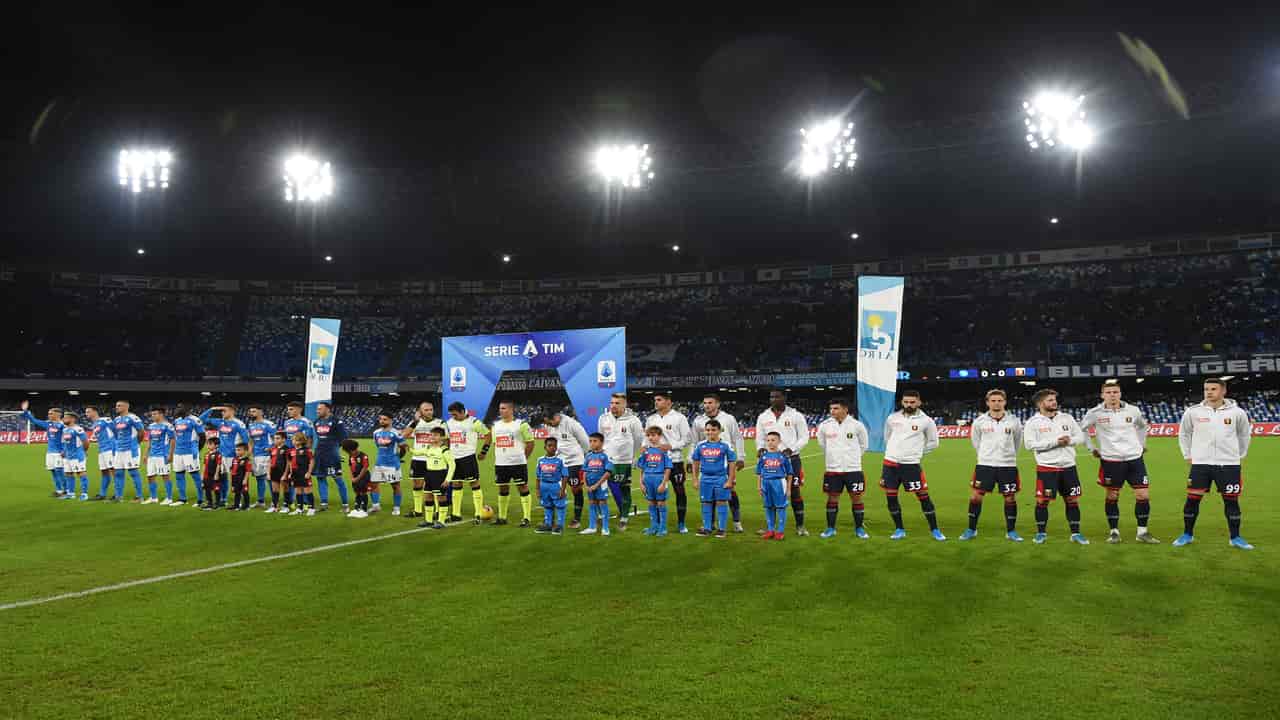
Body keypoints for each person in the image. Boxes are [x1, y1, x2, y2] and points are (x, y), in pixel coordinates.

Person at [1175, 378, 1253, 550]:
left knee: (1231, 502)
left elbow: (1244, 435)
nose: (1209, 392)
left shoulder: (1237, 413)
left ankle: (1235, 537)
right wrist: (1188, 454)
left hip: (1229, 464)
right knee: (1192, 500)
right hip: (1201, 464)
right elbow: (1184, 434)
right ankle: (1187, 534)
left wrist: (1238, 455)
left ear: (1223, 391)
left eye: (1213, 389)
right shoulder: (1193, 412)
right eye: (1206, 389)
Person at [1080, 380, 1158, 544]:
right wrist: (1091, 448)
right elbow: (1083, 430)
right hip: (1111, 460)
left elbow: (1143, 426)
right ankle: (1114, 531)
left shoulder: (1133, 410)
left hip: (1134, 459)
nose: (1112, 395)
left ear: (1120, 393)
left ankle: (1142, 532)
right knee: (1112, 495)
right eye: (1108, 393)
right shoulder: (1095, 412)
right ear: (1102, 395)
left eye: (1115, 392)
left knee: (1143, 494)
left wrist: (1142, 444)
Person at [1023, 388, 1088, 545]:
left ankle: (1076, 533)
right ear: (1040, 403)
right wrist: (1055, 442)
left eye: (1054, 399)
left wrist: (1069, 440)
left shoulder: (1067, 418)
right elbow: (1029, 445)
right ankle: (1041, 533)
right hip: (1047, 468)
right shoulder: (1033, 423)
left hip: (1068, 467)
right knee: (1042, 502)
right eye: (1050, 400)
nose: (1054, 402)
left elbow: (1080, 437)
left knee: (1072, 501)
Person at [961, 389, 1024, 542]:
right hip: (985, 465)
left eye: (999, 400)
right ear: (987, 402)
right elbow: (976, 442)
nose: (996, 403)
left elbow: (1017, 442)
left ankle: (1011, 531)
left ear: (1005, 402)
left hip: (1007, 465)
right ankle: (971, 529)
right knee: (976, 496)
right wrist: (985, 456)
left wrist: (1008, 457)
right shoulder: (980, 421)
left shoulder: (1014, 421)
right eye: (993, 400)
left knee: (1010, 497)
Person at [881, 390, 945, 541]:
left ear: (918, 402)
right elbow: (887, 437)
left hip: (911, 465)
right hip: (890, 464)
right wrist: (894, 452)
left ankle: (935, 530)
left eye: (912, 402)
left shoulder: (926, 421)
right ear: (902, 402)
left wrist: (917, 454)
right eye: (906, 402)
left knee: (923, 497)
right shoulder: (892, 418)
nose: (909, 405)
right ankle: (899, 529)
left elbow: (933, 442)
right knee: (891, 497)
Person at [754, 389, 811, 536]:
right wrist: (760, 448)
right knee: (770, 493)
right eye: (771, 396)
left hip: (791, 459)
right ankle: (771, 527)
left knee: (795, 492)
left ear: (784, 397)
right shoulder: (763, 416)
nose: (773, 399)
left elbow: (804, 437)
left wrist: (791, 449)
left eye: (777, 396)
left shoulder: (795, 415)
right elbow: (759, 437)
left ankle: (800, 526)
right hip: (770, 461)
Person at [691, 393, 747, 532]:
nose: (707, 405)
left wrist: (740, 456)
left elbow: (737, 438)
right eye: (705, 403)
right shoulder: (698, 421)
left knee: (730, 491)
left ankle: (736, 521)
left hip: (725, 461)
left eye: (710, 403)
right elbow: (695, 441)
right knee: (709, 493)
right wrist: (689, 459)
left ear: (717, 404)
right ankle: (710, 524)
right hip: (708, 460)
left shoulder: (728, 418)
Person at [815, 398, 870, 539]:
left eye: (836, 408)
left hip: (853, 469)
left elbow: (864, 445)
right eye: (831, 408)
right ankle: (830, 528)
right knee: (832, 498)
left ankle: (859, 529)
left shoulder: (857, 425)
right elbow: (823, 445)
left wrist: (852, 458)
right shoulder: (825, 426)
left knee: (856, 498)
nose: (832, 411)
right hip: (833, 469)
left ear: (845, 409)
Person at [645, 392, 692, 533]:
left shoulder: (679, 418)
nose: (656, 402)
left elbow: (687, 439)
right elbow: (646, 438)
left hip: (675, 460)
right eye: (655, 400)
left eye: (659, 400)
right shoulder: (651, 419)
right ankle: (658, 524)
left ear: (668, 402)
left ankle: (681, 523)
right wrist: (644, 447)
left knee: (680, 491)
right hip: (656, 462)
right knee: (655, 494)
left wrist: (671, 446)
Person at [597, 392, 644, 526]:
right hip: (606, 460)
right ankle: (602, 514)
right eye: (612, 403)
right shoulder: (603, 418)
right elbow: (600, 438)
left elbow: (639, 440)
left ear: (624, 404)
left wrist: (634, 456)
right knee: (601, 487)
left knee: (624, 489)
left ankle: (624, 518)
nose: (613, 406)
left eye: (617, 403)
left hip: (624, 461)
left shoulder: (633, 420)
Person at [543, 407, 591, 528]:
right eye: (547, 423)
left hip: (575, 462)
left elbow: (585, 442)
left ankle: (577, 518)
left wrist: (586, 460)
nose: (549, 425)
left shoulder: (572, 424)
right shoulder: (550, 426)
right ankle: (551, 520)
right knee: (554, 490)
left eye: (550, 422)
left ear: (556, 416)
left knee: (576, 490)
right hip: (559, 463)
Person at [490, 400, 535, 527]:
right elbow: (495, 444)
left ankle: (526, 518)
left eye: (504, 408)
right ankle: (502, 518)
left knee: (522, 487)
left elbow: (530, 442)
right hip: (500, 463)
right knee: (502, 488)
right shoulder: (496, 426)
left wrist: (523, 458)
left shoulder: (521, 424)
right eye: (500, 408)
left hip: (518, 463)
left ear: (511, 410)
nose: (501, 410)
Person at [690, 418, 737, 538]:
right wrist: (695, 479)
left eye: (713, 430)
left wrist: (730, 480)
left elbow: (732, 463)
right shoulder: (701, 445)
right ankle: (707, 528)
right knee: (706, 503)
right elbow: (695, 462)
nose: (710, 432)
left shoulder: (726, 445)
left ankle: (722, 529)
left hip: (720, 478)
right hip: (705, 478)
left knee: (721, 502)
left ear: (719, 430)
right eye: (708, 430)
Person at [444, 402, 491, 524]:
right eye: (451, 414)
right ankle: (455, 514)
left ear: (462, 411)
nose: (453, 417)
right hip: (453, 459)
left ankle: (478, 514)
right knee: (456, 485)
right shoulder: (449, 423)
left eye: (454, 414)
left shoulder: (474, 422)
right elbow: (447, 439)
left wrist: (484, 451)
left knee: (474, 484)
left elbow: (488, 435)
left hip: (468, 457)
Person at [199, 404, 250, 506]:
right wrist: (211, 409)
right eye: (222, 411)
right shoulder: (220, 422)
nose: (222, 413)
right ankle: (223, 498)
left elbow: (245, 440)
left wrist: (243, 455)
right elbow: (201, 419)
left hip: (233, 456)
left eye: (224, 411)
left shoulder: (239, 424)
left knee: (237, 479)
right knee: (222, 478)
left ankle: (240, 501)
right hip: (222, 455)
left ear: (232, 411)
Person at [404, 401, 446, 520]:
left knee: (435, 485)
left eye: (431, 409)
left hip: (433, 458)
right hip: (418, 458)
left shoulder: (440, 423)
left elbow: (446, 440)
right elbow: (404, 435)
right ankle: (417, 510)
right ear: (420, 411)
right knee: (417, 484)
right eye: (426, 410)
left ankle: (438, 511)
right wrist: (416, 421)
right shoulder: (415, 423)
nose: (429, 412)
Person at [19, 400, 67, 498]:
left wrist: (64, 450)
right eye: (49, 413)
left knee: (60, 471)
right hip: (49, 452)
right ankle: (58, 490)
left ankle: (66, 490)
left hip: (59, 452)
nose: (49, 415)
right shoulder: (48, 424)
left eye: (51, 413)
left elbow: (67, 439)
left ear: (58, 414)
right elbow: (34, 420)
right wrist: (26, 411)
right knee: (53, 471)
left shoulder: (63, 425)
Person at [416, 426, 456, 530]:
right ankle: (428, 521)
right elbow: (418, 452)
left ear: (442, 437)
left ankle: (441, 521)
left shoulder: (445, 450)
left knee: (441, 498)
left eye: (436, 435)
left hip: (440, 475)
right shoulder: (429, 448)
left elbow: (452, 465)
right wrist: (407, 448)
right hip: (429, 475)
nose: (433, 437)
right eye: (432, 435)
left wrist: (447, 479)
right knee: (428, 497)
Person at [313, 402, 350, 513]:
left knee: (337, 478)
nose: (317, 411)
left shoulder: (336, 421)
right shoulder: (316, 422)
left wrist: (336, 451)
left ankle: (345, 505)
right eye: (317, 409)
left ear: (328, 409)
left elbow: (344, 439)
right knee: (320, 478)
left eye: (320, 409)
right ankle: (324, 504)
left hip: (332, 455)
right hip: (319, 453)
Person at [636, 428, 673, 536]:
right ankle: (654, 526)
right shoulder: (645, 451)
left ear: (660, 436)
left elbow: (668, 468)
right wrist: (641, 482)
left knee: (661, 503)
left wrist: (664, 483)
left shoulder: (664, 450)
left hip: (659, 478)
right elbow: (642, 467)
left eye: (654, 435)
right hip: (647, 479)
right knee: (651, 502)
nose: (651, 438)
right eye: (649, 435)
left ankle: (663, 527)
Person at [756, 431, 793, 540]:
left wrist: (789, 489)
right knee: (768, 507)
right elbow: (759, 473)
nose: (770, 443)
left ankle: (780, 531)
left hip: (779, 483)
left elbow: (790, 474)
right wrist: (759, 486)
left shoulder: (783, 456)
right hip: (766, 483)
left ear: (779, 441)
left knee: (780, 507)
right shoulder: (763, 457)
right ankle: (770, 530)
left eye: (773, 440)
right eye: (768, 440)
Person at [280, 401, 317, 509]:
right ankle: (291, 502)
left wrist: (307, 451)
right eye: (288, 409)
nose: (289, 411)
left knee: (303, 480)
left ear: (299, 409)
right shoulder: (287, 423)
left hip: (301, 454)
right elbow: (286, 438)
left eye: (291, 409)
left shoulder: (306, 422)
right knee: (290, 478)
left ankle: (306, 503)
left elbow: (309, 438)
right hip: (290, 453)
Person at [370, 412, 408, 516]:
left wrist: (398, 457)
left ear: (391, 420)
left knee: (395, 486)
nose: (382, 421)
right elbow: (378, 446)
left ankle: (396, 508)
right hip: (379, 463)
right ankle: (376, 506)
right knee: (373, 484)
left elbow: (403, 447)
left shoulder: (396, 433)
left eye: (384, 419)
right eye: (381, 419)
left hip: (392, 464)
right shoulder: (376, 433)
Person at [171, 403, 206, 507]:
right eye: (177, 407)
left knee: (195, 475)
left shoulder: (195, 420)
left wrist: (197, 450)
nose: (177, 409)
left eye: (179, 407)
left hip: (190, 452)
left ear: (186, 409)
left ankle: (200, 500)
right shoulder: (177, 421)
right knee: (179, 475)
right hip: (178, 452)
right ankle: (182, 499)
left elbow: (203, 437)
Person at [579, 433, 614, 536]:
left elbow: (608, 472)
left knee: (603, 503)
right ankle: (592, 527)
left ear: (602, 442)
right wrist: (585, 484)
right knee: (592, 503)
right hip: (589, 485)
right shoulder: (588, 456)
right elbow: (585, 471)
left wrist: (597, 484)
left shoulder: (606, 456)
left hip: (601, 485)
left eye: (595, 441)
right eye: (590, 441)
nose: (592, 443)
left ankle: (605, 528)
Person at [533, 437, 569, 535]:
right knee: (547, 505)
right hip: (544, 486)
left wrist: (563, 489)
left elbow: (565, 476)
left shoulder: (561, 460)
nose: (552, 448)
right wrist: (537, 489)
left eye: (554, 446)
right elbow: (537, 476)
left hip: (556, 485)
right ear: (545, 447)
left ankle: (559, 526)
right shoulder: (540, 460)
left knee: (560, 505)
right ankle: (548, 525)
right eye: (550, 446)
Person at [112, 400, 146, 503]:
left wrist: (136, 443)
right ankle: (118, 497)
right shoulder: (117, 420)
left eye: (119, 405)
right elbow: (116, 433)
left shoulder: (133, 418)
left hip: (131, 450)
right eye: (116, 405)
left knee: (133, 472)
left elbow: (141, 432)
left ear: (126, 406)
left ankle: (139, 497)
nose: (116, 407)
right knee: (118, 473)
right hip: (119, 450)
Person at [244, 405, 277, 509]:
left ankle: (274, 501)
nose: (251, 413)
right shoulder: (251, 425)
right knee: (259, 478)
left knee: (270, 478)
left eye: (254, 411)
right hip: (256, 455)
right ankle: (261, 501)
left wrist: (271, 448)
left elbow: (276, 438)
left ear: (260, 412)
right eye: (250, 411)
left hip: (267, 455)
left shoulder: (268, 424)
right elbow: (251, 441)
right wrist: (249, 452)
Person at [84, 406, 118, 501]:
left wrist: (116, 445)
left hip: (110, 449)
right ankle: (102, 494)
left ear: (95, 412)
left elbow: (116, 431)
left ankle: (117, 494)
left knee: (113, 471)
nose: (87, 414)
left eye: (88, 412)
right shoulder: (93, 425)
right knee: (104, 472)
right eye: (86, 412)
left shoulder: (105, 420)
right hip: (102, 451)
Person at [143, 406, 175, 505]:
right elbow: (149, 441)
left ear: (161, 414)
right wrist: (145, 454)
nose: (152, 416)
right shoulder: (151, 426)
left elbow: (173, 440)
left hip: (163, 455)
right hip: (152, 455)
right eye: (152, 414)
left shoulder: (168, 426)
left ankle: (169, 498)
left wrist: (170, 454)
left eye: (155, 414)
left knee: (165, 476)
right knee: (150, 476)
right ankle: (153, 497)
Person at [60, 411, 89, 501]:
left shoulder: (78, 429)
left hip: (77, 456)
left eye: (66, 417)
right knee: (68, 474)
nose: (64, 419)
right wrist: (64, 452)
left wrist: (83, 451)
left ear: (72, 419)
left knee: (81, 473)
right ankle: (71, 493)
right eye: (64, 417)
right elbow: (65, 442)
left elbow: (86, 442)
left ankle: (84, 494)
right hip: (67, 456)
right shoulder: (65, 430)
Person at [342, 439, 372, 519]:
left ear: (353, 449)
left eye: (349, 451)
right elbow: (350, 466)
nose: (349, 453)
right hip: (355, 478)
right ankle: (357, 508)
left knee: (363, 492)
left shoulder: (363, 456)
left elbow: (365, 468)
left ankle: (364, 510)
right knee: (357, 492)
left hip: (363, 477)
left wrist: (358, 478)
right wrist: (352, 477)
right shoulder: (351, 456)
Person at [288, 432, 316, 516]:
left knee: (307, 490)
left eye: (294, 440)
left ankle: (311, 508)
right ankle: (299, 508)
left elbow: (311, 461)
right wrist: (290, 473)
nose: (292, 441)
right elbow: (290, 462)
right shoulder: (291, 451)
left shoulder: (307, 450)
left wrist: (309, 472)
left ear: (300, 441)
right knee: (298, 490)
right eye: (292, 440)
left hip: (304, 472)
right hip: (295, 473)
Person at [265, 431, 290, 513]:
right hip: (274, 471)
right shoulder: (273, 449)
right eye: (274, 438)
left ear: (283, 439)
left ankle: (286, 506)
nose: (275, 440)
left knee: (285, 489)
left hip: (283, 471)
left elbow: (288, 463)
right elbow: (270, 461)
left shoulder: (286, 449)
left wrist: (285, 474)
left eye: (277, 438)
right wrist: (268, 473)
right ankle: (275, 506)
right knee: (275, 489)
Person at [228, 443, 252, 512]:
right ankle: (236, 505)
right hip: (236, 479)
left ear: (245, 451)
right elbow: (232, 470)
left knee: (245, 492)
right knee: (237, 492)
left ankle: (247, 506)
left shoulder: (246, 460)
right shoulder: (234, 459)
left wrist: (245, 479)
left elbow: (248, 471)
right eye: (236, 450)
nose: (237, 452)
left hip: (243, 479)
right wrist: (232, 480)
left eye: (239, 450)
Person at [201, 440, 223, 510]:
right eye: (207, 444)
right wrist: (202, 474)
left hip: (214, 475)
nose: (208, 446)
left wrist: (216, 474)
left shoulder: (218, 454)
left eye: (210, 444)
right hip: (207, 475)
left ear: (216, 445)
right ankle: (209, 503)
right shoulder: (206, 454)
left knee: (216, 489)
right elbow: (204, 465)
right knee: (207, 489)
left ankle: (218, 503)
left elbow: (218, 465)